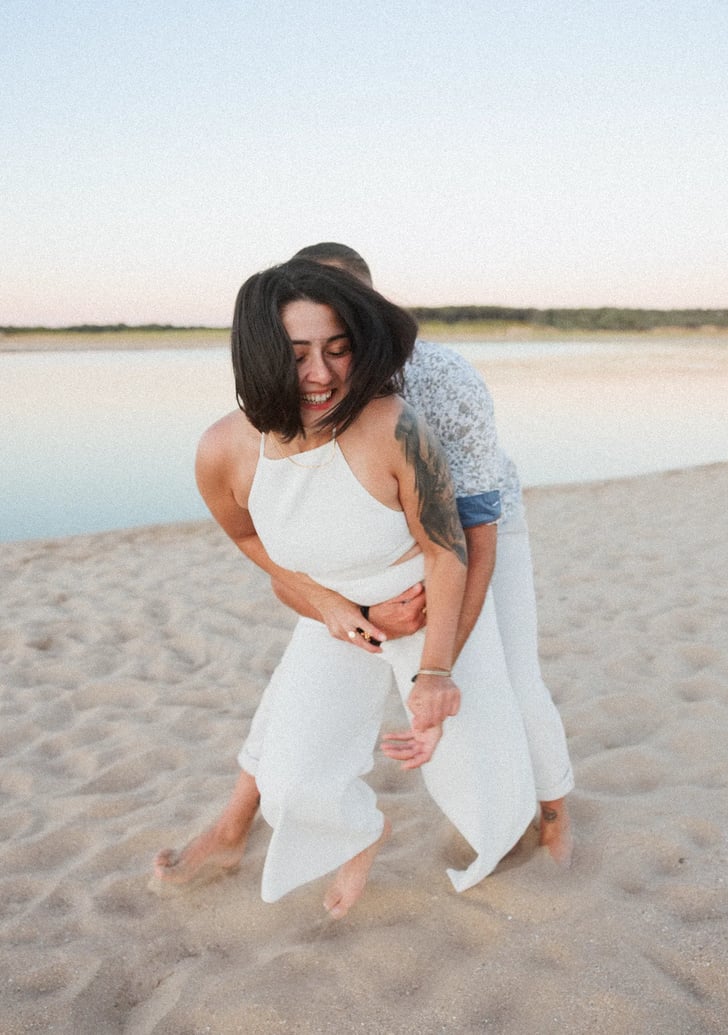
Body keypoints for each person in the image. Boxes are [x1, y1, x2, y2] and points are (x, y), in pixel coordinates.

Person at [155, 259, 536, 916]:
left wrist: (438, 669)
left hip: (427, 607)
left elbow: (449, 552)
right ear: (259, 353)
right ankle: (363, 831)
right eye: (298, 354)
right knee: (289, 783)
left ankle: (515, 823)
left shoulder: (397, 427)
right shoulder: (222, 450)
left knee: (483, 779)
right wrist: (335, 606)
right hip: (340, 617)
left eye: (337, 350)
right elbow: (253, 543)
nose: (323, 374)